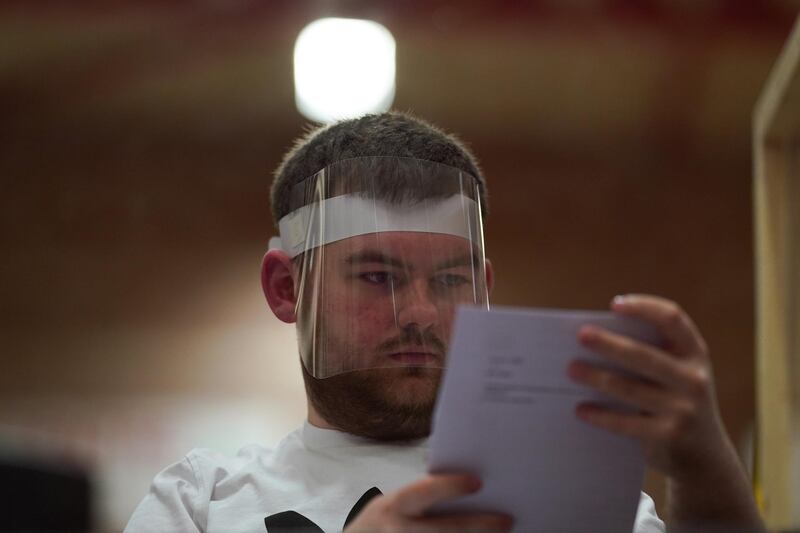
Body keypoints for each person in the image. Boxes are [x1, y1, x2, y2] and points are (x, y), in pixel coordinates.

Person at [125, 112, 764, 532]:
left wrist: (701, 464)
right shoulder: (201, 504)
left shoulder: (578, 503)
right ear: (286, 288)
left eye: (451, 280)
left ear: (485, 289)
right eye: (378, 277)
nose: (423, 314)